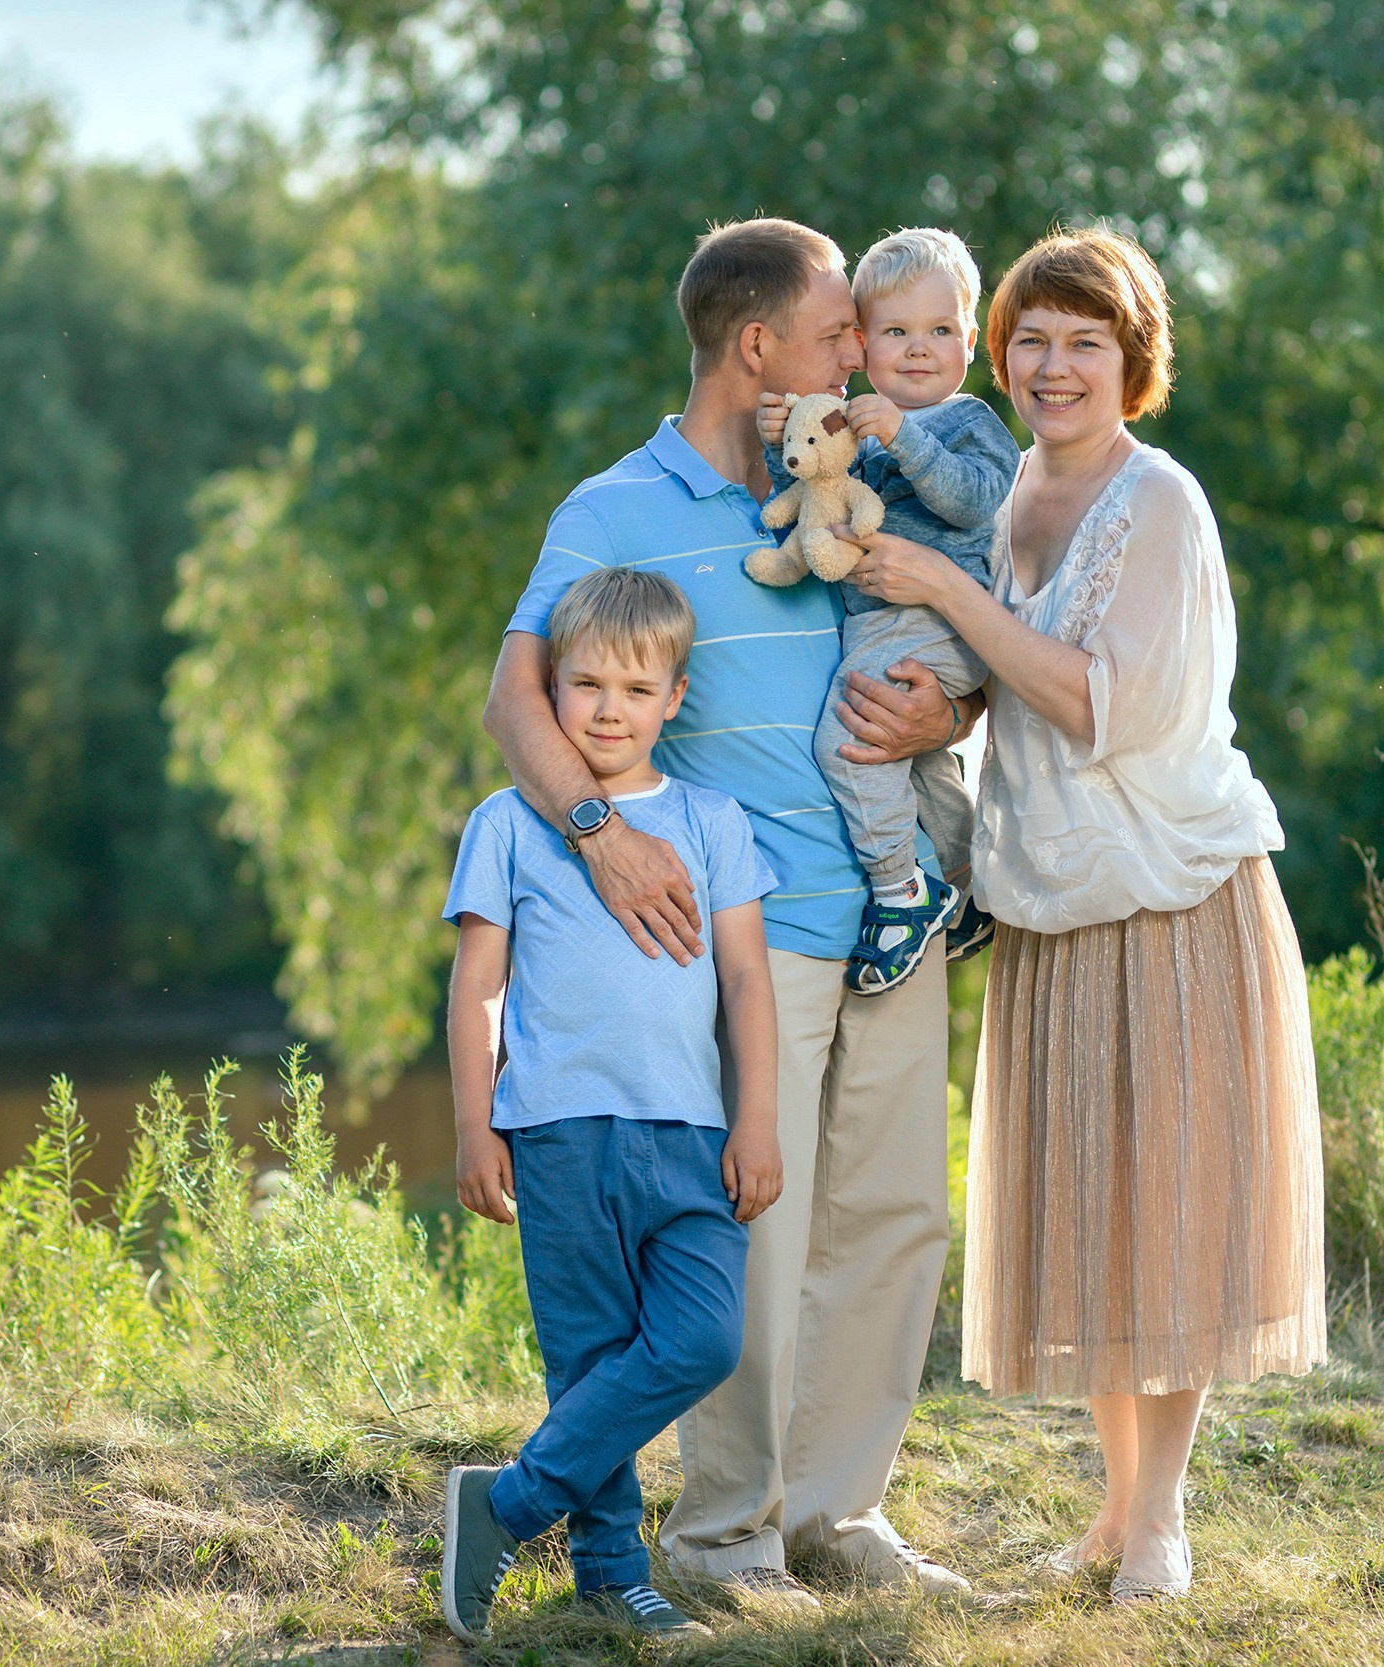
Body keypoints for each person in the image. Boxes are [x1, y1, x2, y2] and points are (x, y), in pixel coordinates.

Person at [480, 218, 975, 1607]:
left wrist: (958, 702)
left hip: (895, 913)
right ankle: (727, 1537)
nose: (862, 356)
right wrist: (597, 832)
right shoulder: (612, 510)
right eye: (836, 333)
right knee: (756, 1235)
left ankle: (838, 1513)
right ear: (757, 348)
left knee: (892, 1222)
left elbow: (964, 623)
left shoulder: (869, 479)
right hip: (744, 939)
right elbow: (517, 699)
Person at [836, 225, 1327, 1605]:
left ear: (1133, 360)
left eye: (1085, 342)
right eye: (1032, 341)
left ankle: (1162, 1517)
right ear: (1003, 356)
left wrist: (936, 592)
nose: (1054, 367)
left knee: (1169, 1208)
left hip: (1170, 890)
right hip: (1051, 895)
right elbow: (1004, 675)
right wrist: (944, 704)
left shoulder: (1156, 501)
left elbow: (1107, 701)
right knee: (1093, 1210)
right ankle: (1114, 1510)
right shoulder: (1010, 496)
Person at [440, 566, 784, 1643]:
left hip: (688, 1133)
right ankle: (609, 1570)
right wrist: (473, 1118)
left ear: (673, 697)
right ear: (547, 694)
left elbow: (745, 981)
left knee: (702, 1337)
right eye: (582, 683)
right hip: (557, 1130)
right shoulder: (506, 822)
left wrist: (758, 1117)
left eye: (634, 689)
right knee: (588, 1357)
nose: (605, 707)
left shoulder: (712, 820)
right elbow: (478, 986)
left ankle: (502, 1506)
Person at [754, 227, 1021, 997]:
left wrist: (905, 438)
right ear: (863, 345)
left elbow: (973, 500)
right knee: (917, 765)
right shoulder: (854, 423)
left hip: (938, 622)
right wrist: (784, 444)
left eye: (940, 331)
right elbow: (816, 495)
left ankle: (903, 891)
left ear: (969, 342)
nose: (918, 349)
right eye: (897, 332)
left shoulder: (968, 422)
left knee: (849, 741)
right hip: (878, 623)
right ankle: (968, 888)